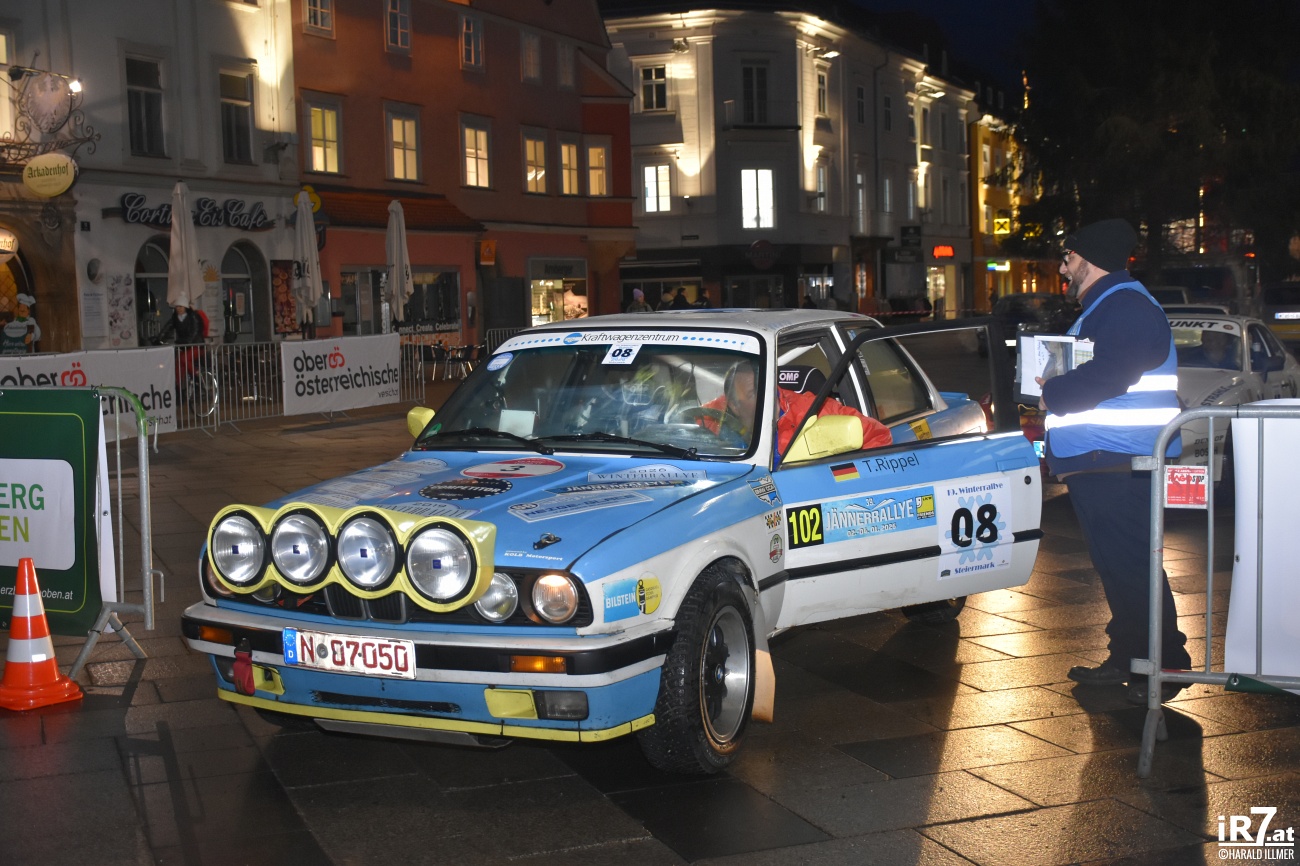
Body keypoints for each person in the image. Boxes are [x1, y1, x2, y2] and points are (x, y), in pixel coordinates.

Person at [1038, 218, 1191, 705]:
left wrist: (1052, 394)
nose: (1064, 268)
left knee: (1130, 566)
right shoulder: (1110, 305)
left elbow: (1110, 374)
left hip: (1119, 459)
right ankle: (1130, 656)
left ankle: (1165, 665)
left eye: (1069, 257)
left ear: (1090, 258)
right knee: (1120, 565)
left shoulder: (1125, 306)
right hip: (1105, 459)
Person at [696, 362, 892, 455]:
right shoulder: (715, 414)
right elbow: (685, 426)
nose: (767, 395)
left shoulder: (811, 410)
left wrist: (837, 475)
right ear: (733, 405)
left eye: (767, 387)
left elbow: (878, 436)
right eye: (754, 392)